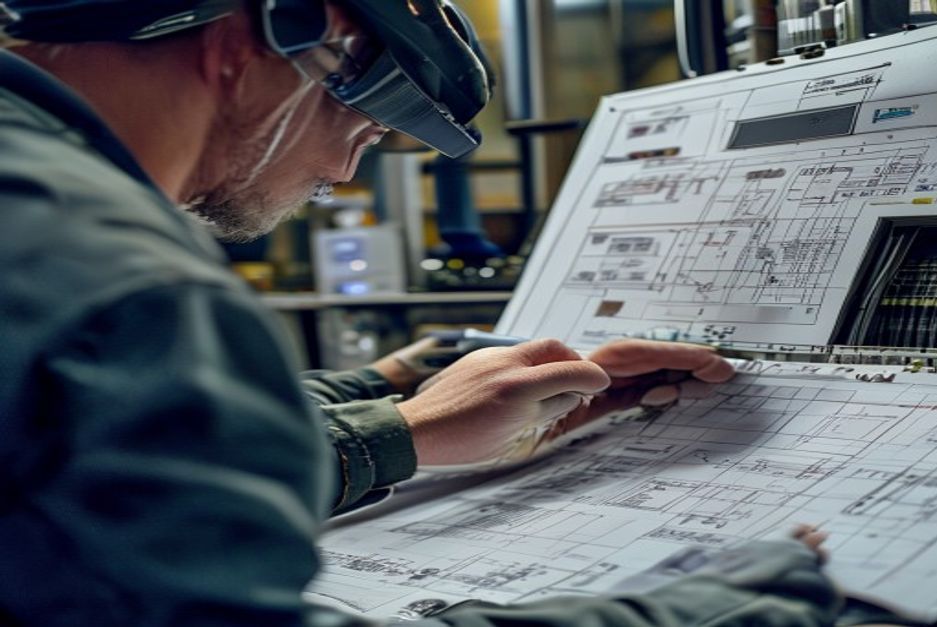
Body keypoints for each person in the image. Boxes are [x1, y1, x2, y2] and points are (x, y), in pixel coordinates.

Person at [0, 1, 847, 625]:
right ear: (264, 39)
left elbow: (65, 464)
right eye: (363, 131)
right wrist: (671, 615)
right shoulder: (125, 287)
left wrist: (385, 401)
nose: (339, 171)